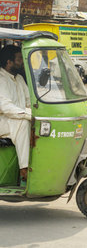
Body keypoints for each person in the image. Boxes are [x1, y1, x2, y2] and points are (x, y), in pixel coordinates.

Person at [0, 45, 31, 183]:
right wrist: (27, 115)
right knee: (24, 123)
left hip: (15, 118)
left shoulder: (19, 78)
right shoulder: (1, 79)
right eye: (18, 59)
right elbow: (6, 107)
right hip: (4, 121)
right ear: (9, 62)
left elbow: (28, 101)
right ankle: (24, 169)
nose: (21, 62)